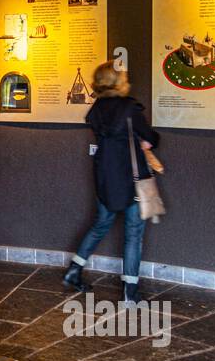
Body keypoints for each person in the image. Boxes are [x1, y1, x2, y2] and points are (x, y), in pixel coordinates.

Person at [63, 61, 160, 304]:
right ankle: (130, 292)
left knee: (101, 224)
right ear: (119, 81)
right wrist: (148, 141)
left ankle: (74, 269)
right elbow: (150, 137)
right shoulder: (130, 109)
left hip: (105, 175)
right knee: (133, 234)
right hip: (131, 177)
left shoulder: (97, 109)